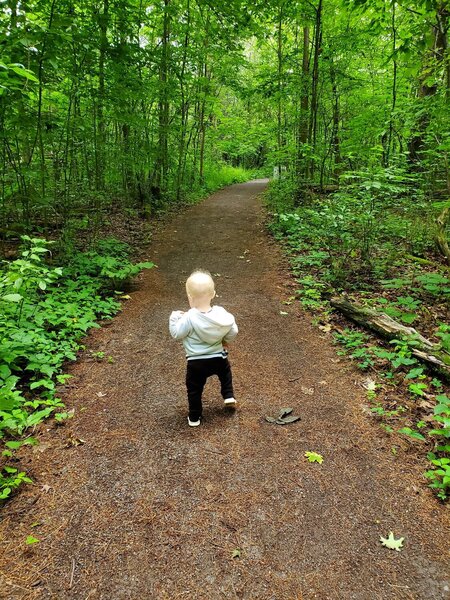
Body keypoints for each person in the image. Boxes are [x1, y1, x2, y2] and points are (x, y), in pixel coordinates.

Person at [169, 269, 238, 427]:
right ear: (213, 293)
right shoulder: (221, 314)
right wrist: (225, 341)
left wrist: (173, 318)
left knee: (194, 389)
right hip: (218, 358)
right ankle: (228, 395)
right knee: (225, 372)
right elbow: (233, 330)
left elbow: (177, 334)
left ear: (190, 297)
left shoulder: (189, 317)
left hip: (196, 362)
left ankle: (194, 417)